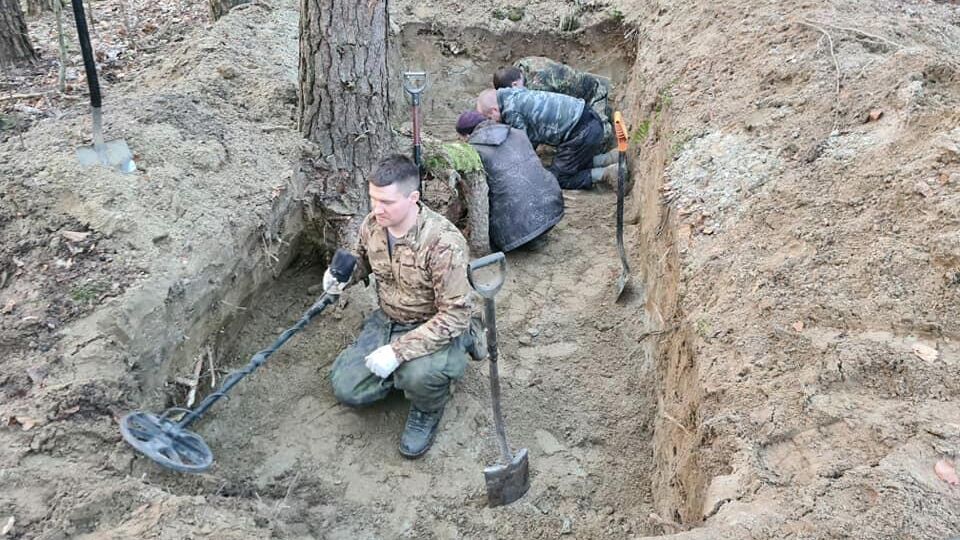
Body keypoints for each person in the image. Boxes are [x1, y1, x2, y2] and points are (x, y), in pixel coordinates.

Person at [325, 154, 476, 459]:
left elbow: (456, 314)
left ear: (413, 198)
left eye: (387, 202)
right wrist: (340, 279)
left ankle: (427, 405)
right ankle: (402, 375)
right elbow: (363, 263)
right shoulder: (373, 225)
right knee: (346, 388)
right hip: (388, 319)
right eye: (373, 199)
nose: (376, 209)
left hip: (434, 325)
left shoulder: (442, 242)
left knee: (419, 376)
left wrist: (397, 352)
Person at [455, 110, 563, 251]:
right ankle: (536, 234)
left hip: (514, 230)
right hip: (552, 211)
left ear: (468, 135)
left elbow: (476, 196)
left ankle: (527, 238)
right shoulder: (518, 133)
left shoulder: (474, 151)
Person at [476, 87, 618, 191]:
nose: (493, 122)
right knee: (569, 163)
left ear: (494, 110)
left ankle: (606, 174)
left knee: (558, 177)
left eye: (490, 118)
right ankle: (609, 158)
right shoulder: (513, 93)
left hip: (582, 132)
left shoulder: (510, 112)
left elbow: (521, 146)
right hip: (588, 119)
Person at [493, 57, 612, 146]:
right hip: (578, 98)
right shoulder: (520, 68)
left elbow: (534, 128)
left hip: (594, 96)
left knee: (600, 138)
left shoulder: (536, 87)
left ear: (514, 85)